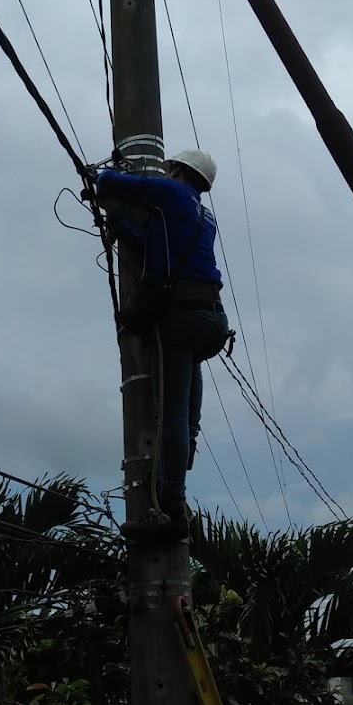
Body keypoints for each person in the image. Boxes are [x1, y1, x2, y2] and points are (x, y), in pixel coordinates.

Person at [96, 147, 229, 542]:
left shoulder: (172, 194)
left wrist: (103, 180)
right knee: (186, 417)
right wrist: (118, 220)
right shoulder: (206, 216)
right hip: (213, 320)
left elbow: (111, 181)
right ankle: (179, 471)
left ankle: (171, 506)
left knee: (169, 415)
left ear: (176, 171)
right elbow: (152, 246)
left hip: (182, 316)